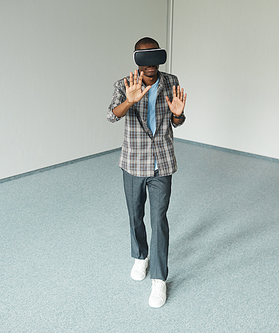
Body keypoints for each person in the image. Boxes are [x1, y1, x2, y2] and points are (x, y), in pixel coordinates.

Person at [107, 37, 187, 308]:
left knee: (158, 219)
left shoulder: (171, 81)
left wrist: (178, 115)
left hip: (162, 162)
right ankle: (141, 256)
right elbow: (111, 115)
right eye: (145, 59)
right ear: (137, 60)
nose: (151, 65)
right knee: (135, 214)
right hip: (133, 162)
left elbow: (177, 121)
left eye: (156, 58)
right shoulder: (124, 85)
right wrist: (129, 102)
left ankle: (159, 279)